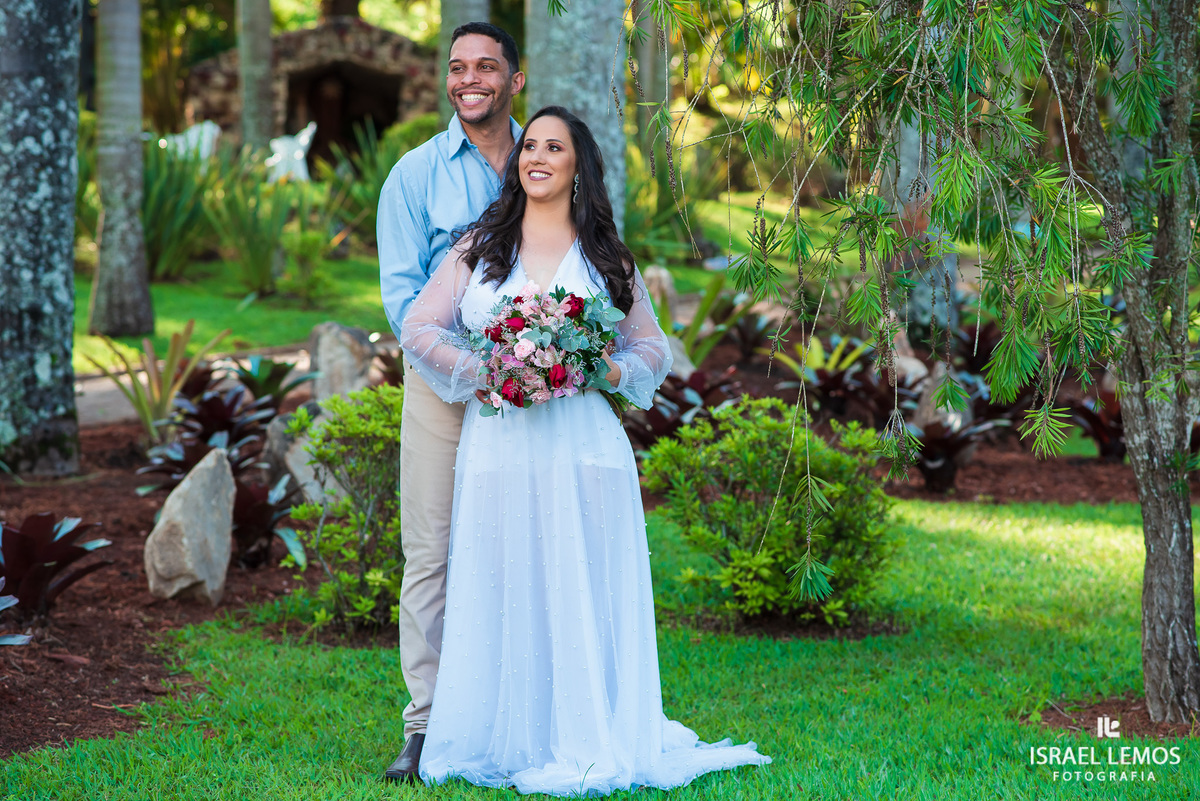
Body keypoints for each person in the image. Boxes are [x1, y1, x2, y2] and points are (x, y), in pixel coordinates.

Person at [399, 106, 771, 796]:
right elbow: (419, 326)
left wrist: (604, 369)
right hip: (499, 443)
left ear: (578, 167)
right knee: (504, 579)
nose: (536, 157)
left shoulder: (606, 256)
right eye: (529, 146)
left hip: (584, 446)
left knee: (581, 582)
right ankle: (506, 732)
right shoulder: (479, 247)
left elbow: (652, 347)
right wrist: (489, 367)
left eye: (554, 147)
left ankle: (585, 731)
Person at [377, 21, 525, 782]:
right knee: (431, 551)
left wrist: (539, 364)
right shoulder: (414, 175)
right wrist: (473, 369)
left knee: (523, 546)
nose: (470, 79)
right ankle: (426, 725)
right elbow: (404, 301)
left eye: (487, 67)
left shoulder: (550, 158)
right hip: (441, 388)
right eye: (458, 67)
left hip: (535, 394)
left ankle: (520, 712)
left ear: (514, 80)